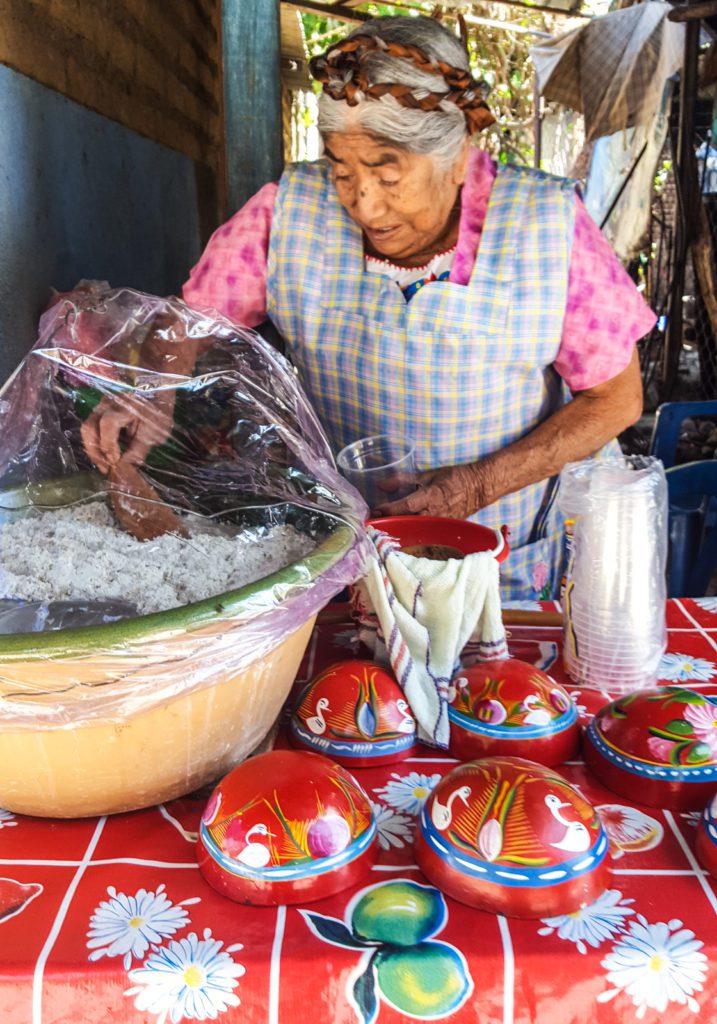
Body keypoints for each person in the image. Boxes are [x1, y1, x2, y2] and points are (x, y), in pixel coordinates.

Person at [93, 15, 656, 599]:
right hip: (347, 544)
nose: (362, 202)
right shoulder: (288, 212)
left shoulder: (547, 226)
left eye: (388, 175)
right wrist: (149, 392)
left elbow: (616, 399)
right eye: (342, 169)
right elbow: (190, 321)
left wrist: (477, 484)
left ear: (458, 155)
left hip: (498, 554)